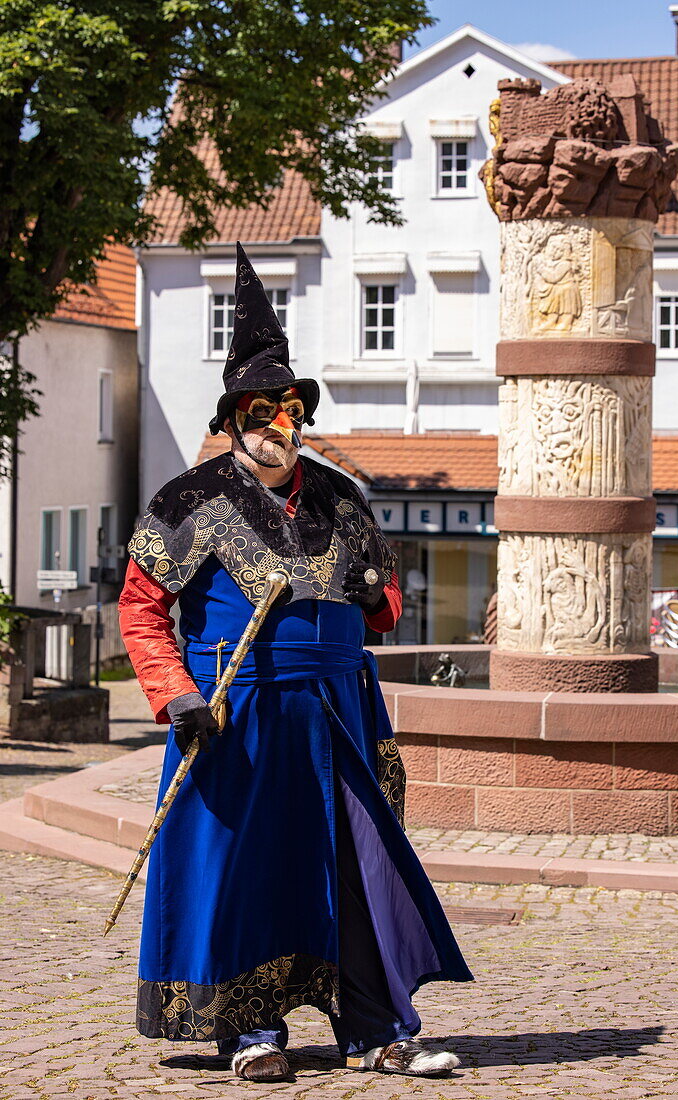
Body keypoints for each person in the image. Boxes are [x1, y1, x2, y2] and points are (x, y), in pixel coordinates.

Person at [118, 244, 472, 1084]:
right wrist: (176, 696)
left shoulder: (340, 497)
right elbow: (140, 609)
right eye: (265, 412)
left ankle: (373, 1027)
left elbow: (381, 603)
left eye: (293, 411)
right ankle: (252, 1033)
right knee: (247, 869)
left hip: (338, 711)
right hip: (235, 713)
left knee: (358, 865)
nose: (284, 427)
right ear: (234, 418)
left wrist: (375, 596)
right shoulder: (186, 499)